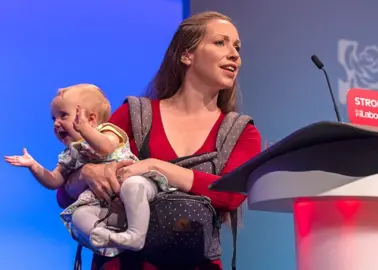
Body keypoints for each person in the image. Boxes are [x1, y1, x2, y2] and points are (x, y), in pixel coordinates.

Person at [56, 11, 262, 270]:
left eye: (237, 47)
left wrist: (158, 167)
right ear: (187, 55)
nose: (234, 54)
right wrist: (86, 174)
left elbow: (231, 194)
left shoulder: (241, 132)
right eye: (220, 42)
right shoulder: (135, 115)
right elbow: (64, 195)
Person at [5, 84, 172, 257]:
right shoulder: (69, 155)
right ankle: (113, 242)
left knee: (133, 185)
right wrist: (34, 166)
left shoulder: (107, 131)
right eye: (53, 118)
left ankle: (136, 235)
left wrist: (85, 131)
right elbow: (54, 181)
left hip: (134, 190)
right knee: (79, 216)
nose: (56, 123)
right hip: (109, 209)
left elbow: (105, 148)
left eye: (63, 115)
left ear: (91, 119)